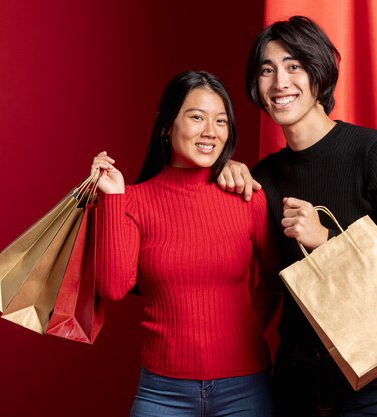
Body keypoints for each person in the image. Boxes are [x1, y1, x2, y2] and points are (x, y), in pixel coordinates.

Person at [217, 16, 377, 417]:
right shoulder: (264, 176)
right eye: (268, 70)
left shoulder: (375, 152)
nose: (280, 82)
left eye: (294, 66)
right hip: (294, 378)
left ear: (319, 74)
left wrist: (327, 242)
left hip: (370, 378)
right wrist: (227, 172)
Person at [91, 70, 280, 417]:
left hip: (245, 389)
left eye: (221, 121)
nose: (211, 131)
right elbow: (114, 288)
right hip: (162, 392)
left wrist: (241, 335)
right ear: (167, 126)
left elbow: (272, 279)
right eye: (197, 117)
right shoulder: (131, 200)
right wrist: (113, 198)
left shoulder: (248, 197)